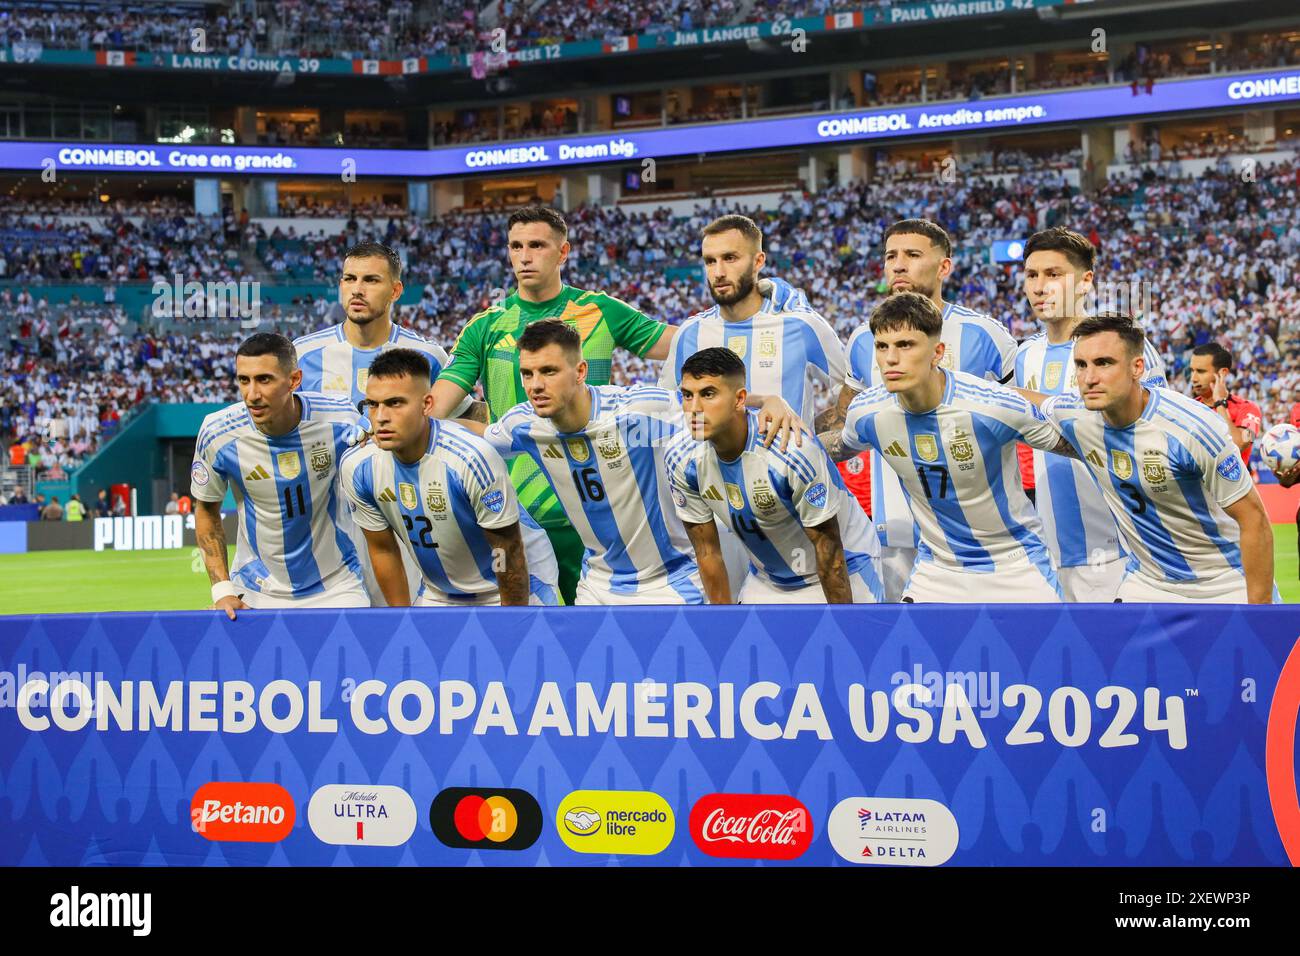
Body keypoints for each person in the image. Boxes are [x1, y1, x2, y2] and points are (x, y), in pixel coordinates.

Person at [428, 205, 682, 605]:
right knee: (535, 640)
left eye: (537, 245)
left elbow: (686, 345)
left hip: (599, 505)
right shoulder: (485, 326)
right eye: (516, 246)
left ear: (563, 252)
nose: (525, 256)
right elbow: (434, 409)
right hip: (517, 512)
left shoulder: (601, 311)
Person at [462, 320, 800, 605]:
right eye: (527, 373)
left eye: (548, 371)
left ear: (580, 371)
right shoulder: (523, 425)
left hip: (672, 582)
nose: (535, 385)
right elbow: (477, 440)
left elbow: (711, 403)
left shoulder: (638, 410)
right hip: (597, 586)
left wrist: (768, 399)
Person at [821, 293, 1076, 603]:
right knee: (910, 652)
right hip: (937, 569)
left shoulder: (990, 405)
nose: (890, 358)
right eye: (882, 346)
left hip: (1016, 564)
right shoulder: (868, 413)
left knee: (1049, 650)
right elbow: (835, 447)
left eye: (905, 345)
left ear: (937, 352)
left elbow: (1080, 446)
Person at [824, 218, 1018, 601]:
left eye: (912, 255)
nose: (898, 265)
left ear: (944, 266)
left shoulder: (987, 335)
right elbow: (846, 419)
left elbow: (1022, 415)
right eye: (890, 256)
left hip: (983, 538)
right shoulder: (865, 339)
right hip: (895, 531)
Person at [1041, 315, 1275, 604]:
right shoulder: (1077, 415)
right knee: (1111, 647)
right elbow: (1025, 403)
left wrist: (1261, 618)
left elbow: (1254, 519)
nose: (1089, 378)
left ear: (1137, 367)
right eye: (1081, 365)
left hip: (1223, 584)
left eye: (1104, 363)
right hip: (1148, 584)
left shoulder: (1192, 428)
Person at [1015, 227, 1168, 601]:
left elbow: (1157, 434)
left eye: (1054, 275)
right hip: (1052, 548)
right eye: (1032, 275)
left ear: (1085, 282)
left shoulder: (1123, 346)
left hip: (1123, 549)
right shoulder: (1024, 355)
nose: (1039, 287)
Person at [340, 348, 558, 606]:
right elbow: (383, 549)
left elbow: (507, 551)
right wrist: (401, 621)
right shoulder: (358, 466)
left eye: (395, 403)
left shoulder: (470, 458)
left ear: (427, 404)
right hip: (439, 593)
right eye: (372, 405)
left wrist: (510, 623)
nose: (381, 417)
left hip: (516, 582)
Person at [666, 347, 883, 604]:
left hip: (847, 566)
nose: (694, 408)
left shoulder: (791, 453)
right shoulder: (681, 458)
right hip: (767, 580)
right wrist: (720, 623)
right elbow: (707, 552)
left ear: (739, 399)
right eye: (687, 395)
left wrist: (840, 631)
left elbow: (830, 553)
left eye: (708, 394)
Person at [191, 332, 370, 618]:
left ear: (294, 380)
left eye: (264, 379)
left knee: (347, 663)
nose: (252, 394)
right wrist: (222, 589)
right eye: (243, 380)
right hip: (254, 589)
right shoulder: (218, 433)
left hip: (337, 585)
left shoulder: (340, 418)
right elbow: (206, 511)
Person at [658, 215, 846, 427]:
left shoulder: (802, 326)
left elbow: (854, 392)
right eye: (710, 261)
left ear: (758, 261)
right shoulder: (690, 333)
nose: (718, 273)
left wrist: (812, 443)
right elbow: (665, 415)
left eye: (730, 258)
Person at [293, 240, 475, 417]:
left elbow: (464, 417)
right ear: (341, 286)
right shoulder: (302, 353)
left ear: (395, 291)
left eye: (371, 280)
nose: (357, 289)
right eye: (350, 279)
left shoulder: (428, 356)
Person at [1188, 343, 1262, 465]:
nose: (1193, 378)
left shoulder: (1250, 409)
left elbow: (1240, 444)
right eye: (1192, 371)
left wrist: (1219, 404)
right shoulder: (1187, 408)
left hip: (1233, 483)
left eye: (1201, 371)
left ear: (1222, 373)